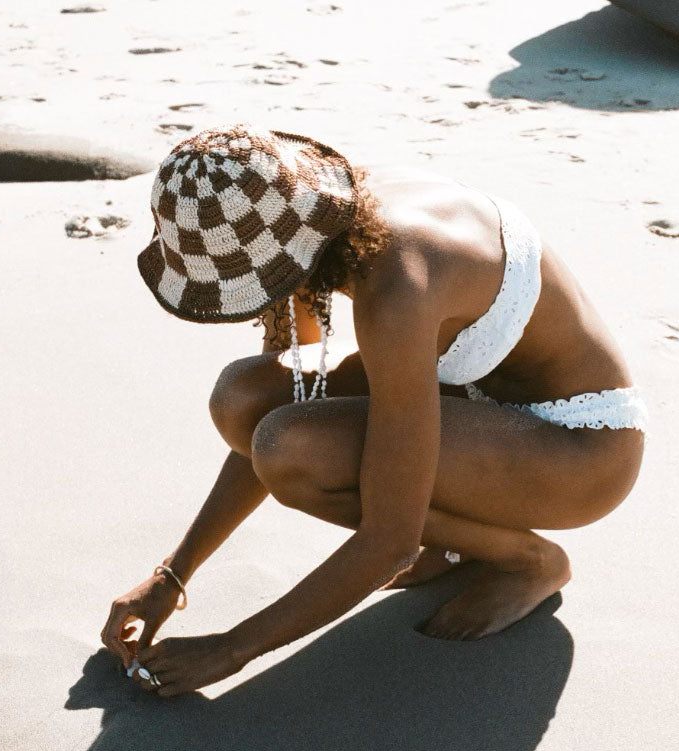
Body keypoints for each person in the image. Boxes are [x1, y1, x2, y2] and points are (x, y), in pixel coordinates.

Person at [101, 123, 647, 697]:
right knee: (246, 400)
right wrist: (173, 574)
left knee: (293, 453)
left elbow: (388, 539)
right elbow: (292, 399)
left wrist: (234, 647)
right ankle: (460, 541)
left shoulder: (398, 288)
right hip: (481, 404)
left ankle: (529, 560)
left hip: (582, 454)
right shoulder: (312, 214)